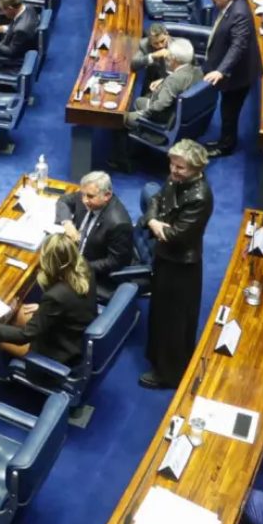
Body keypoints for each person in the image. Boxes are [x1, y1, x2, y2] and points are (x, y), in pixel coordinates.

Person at [138, 138, 213, 389]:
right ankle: (159, 360)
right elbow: (156, 201)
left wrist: (157, 224)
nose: (173, 171)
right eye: (172, 165)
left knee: (175, 321)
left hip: (182, 266)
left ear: (197, 169)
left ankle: (170, 374)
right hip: (165, 258)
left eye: (180, 167)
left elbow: (177, 235)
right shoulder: (176, 179)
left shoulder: (201, 197)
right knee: (160, 313)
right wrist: (154, 222)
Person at [0, 231, 99, 361]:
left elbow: (24, 336)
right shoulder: (84, 266)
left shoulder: (55, 296)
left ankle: (20, 372)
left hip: (61, 350)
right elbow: (72, 302)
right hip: (72, 329)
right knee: (19, 313)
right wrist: (46, 309)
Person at [55, 171, 136, 298]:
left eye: (90, 196)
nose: (84, 200)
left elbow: (115, 261)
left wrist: (80, 267)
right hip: (77, 251)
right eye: (83, 194)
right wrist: (67, 223)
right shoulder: (88, 196)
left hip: (94, 271)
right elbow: (63, 200)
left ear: (107, 195)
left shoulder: (118, 223)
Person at [201, 0, 257, 156]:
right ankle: (225, 140)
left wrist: (221, 70)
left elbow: (238, 46)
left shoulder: (239, 13)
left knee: (229, 111)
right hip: (228, 69)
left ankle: (225, 146)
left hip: (237, 76)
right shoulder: (229, 7)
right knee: (226, 108)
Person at [127, 37, 201, 135]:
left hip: (166, 119)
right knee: (138, 102)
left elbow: (158, 107)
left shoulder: (174, 80)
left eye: (169, 55)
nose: (166, 57)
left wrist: (143, 114)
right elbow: (182, 80)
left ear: (174, 59)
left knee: (124, 118)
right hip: (180, 113)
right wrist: (163, 80)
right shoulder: (198, 71)